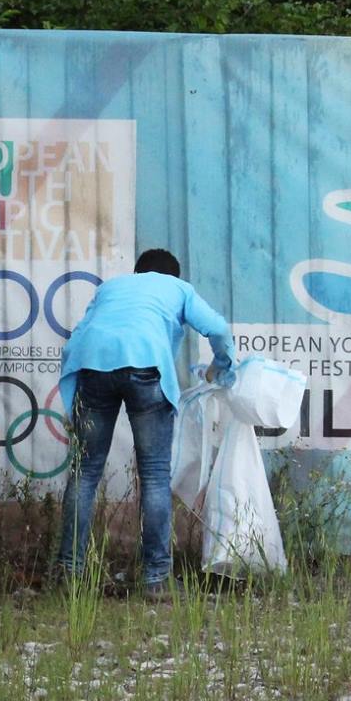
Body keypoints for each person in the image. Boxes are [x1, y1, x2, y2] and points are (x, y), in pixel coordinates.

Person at [52, 249, 235, 594]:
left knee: (84, 473)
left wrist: (73, 389)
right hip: (146, 367)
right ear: (173, 276)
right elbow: (219, 328)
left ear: (137, 272)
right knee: (153, 475)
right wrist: (224, 368)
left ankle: (68, 576)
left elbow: (77, 339)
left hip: (93, 366)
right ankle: (156, 579)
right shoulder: (178, 288)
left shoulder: (110, 288)